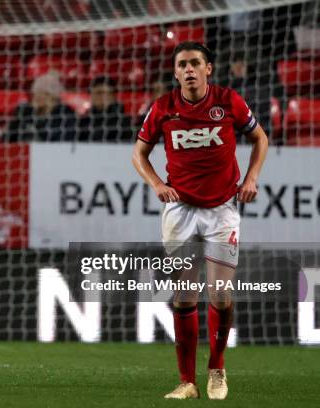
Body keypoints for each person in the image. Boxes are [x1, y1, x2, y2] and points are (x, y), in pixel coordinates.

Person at [132, 41, 268, 400]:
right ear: (175, 72)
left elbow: (259, 137)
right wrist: (157, 183)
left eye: (195, 63)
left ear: (208, 68)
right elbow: (139, 153)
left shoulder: (228, 101)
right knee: (184, 296)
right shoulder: (163, 108)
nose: (188, 69)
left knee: (220, 295)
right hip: (180, 209)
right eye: (182, 64)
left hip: (222, 207)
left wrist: (251, 178)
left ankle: (217, 369)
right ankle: (187, 382)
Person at [3, 71, 76, 142]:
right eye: (36, 93)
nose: (37, 97)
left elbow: (66, 141)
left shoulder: (64, 113)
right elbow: (7, 139)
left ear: (53, 97)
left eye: (43, 93)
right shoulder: (24, 111)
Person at [77, 76, 131, 142]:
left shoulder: (123, 121)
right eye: (97, 93)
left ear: (113, 96)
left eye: (103, 92)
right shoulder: (84, 120)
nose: (100, 97)